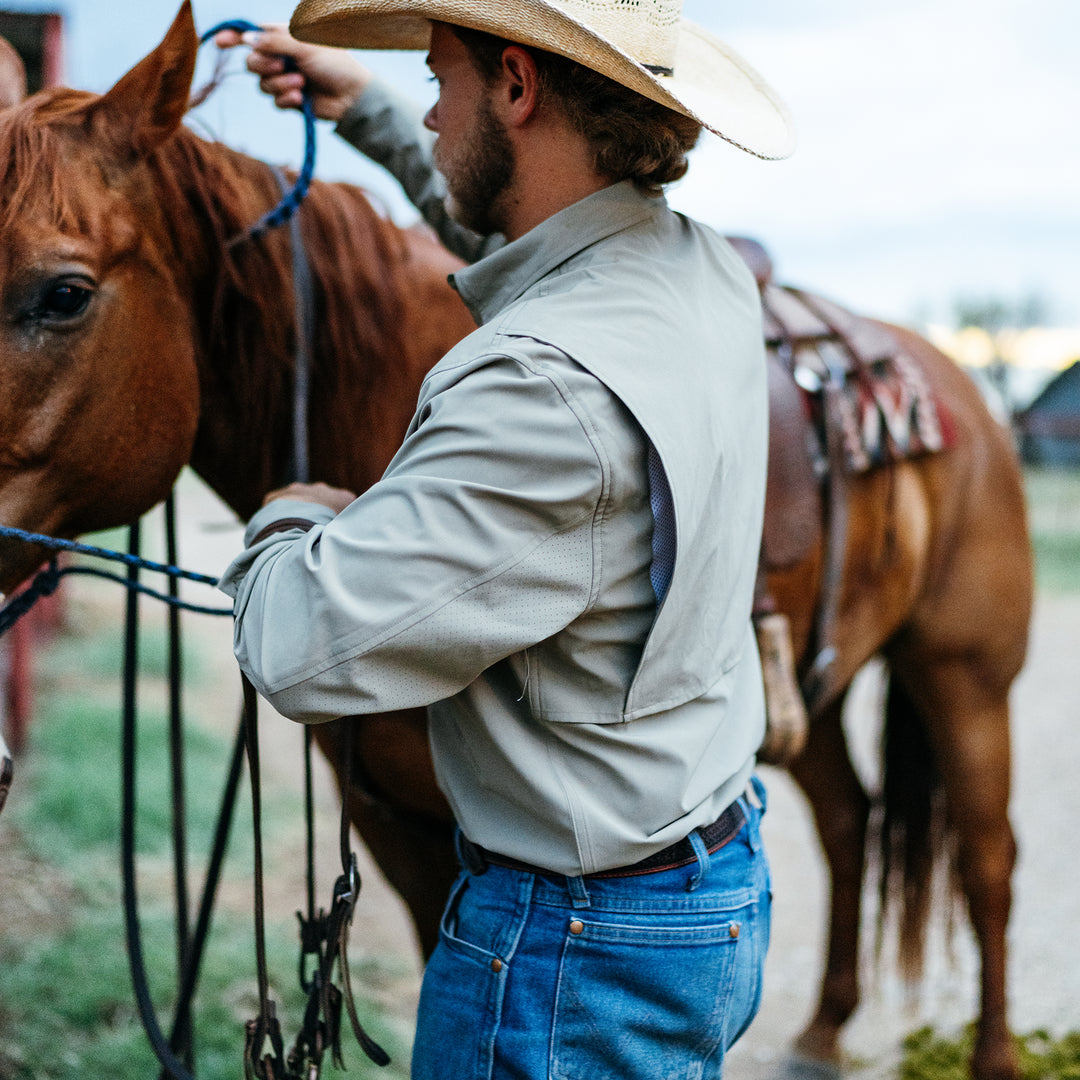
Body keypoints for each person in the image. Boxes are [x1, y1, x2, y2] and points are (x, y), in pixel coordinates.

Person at [218, 2, 795, 1078]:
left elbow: (301, 646)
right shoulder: (697, 267)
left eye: (440, 78)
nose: (432, 113)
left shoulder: (536, 381)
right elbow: (528, 246)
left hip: (573, 951)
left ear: (518, 88)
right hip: (701, 873)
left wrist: (289, 515)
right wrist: (368, 113)